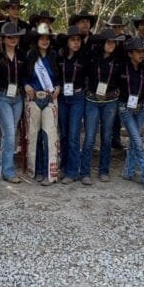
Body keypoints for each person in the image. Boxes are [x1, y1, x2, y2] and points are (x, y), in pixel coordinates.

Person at [80, 28, 125, 184]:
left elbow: (122, 79)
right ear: (101, 43)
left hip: (110, 101)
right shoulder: (92, 57)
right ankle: (85, 172)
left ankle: (104, 171)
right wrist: (87, 89)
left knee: (107, 137)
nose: (111, 44)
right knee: (90, 137)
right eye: (108, 42)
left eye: (114, 42)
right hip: (92, 101)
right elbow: (83, 74)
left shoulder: (118, 60)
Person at [0, 22, 28, 183]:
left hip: (18, 97)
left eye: (16, 37)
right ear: (3, 38)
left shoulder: (22, 55)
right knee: (9, 133)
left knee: (9, 134)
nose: (14, 39)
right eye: (10, 37)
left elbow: (25, 75)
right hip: (1, 96)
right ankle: (8, 171)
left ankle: (3, 168)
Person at [24, 23, 61, 185]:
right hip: (33, 99)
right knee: (34, 136)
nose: (45, 41)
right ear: (36, 40)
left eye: (47, 38)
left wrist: (58, 86)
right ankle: (36, 170)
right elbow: (23, 76)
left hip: (50, 99)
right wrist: (25, 85)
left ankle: (49, 173)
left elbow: (58, 78)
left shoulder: (54, 56)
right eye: (42, 38)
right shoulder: (29, 56)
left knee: (50, 136)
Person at [117, 38, 144, 189]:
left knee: (134, 141)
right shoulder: (122, 68)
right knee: (138, 142)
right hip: (125, 108)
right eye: (138, 52)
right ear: (130, 53)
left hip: (141, 107)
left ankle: (128, 172)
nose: (141, 54)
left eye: (143, 52)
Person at [56, 25, 87, 184]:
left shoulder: (83, 58)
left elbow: (89, 77)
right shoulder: (59, 58)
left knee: (74, 135)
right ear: (67, 42)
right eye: (73, 40)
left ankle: (73, 171)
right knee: (64, 134)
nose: (76, 43)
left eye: (78, 40)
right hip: (62, 97)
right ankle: (63, 167)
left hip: (77, 97)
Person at [105, 15, 130, 149]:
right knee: (109, 113)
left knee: (118, 112)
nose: (116, 29)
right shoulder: (105, 40)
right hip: (108, 80)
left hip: (124, 79)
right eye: (114, 27)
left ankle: (116, 138)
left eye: (118, 27)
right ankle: (109, 139)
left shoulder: (127, 41)